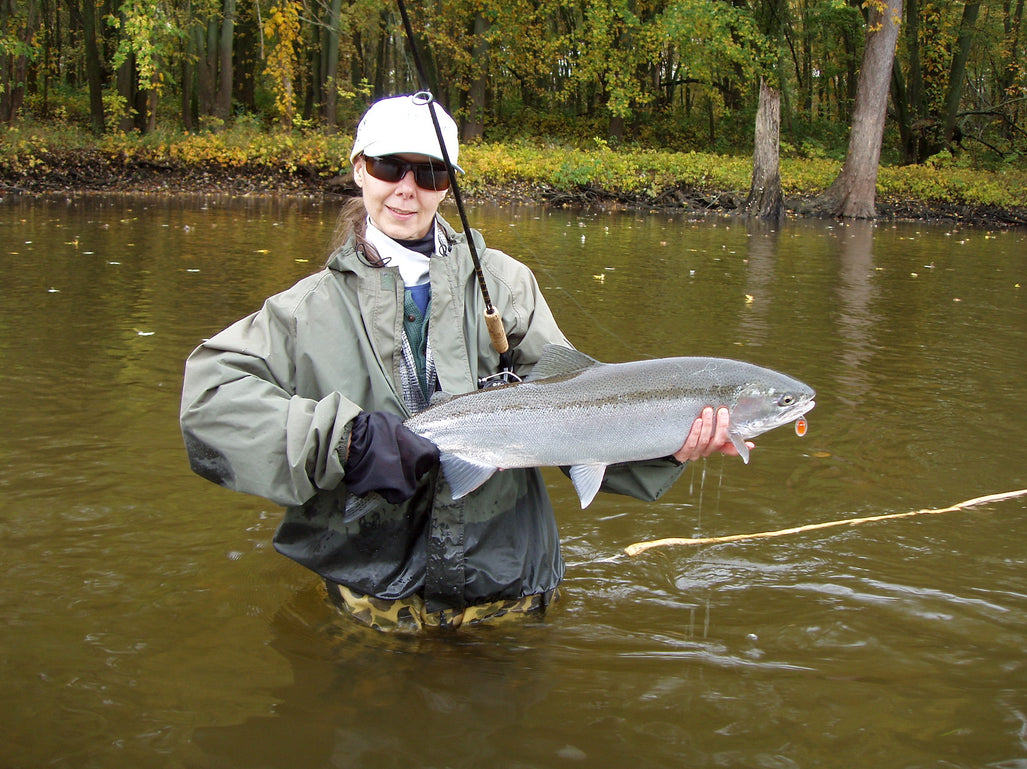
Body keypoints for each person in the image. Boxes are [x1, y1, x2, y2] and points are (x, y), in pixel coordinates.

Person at [180, 93, 741, 632]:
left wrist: (669, 441)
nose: (407, 189)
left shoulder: (507, 285)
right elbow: (210, 399)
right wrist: (345, 443)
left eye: (429, 174)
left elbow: (580, 410)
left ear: (447, 187)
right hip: (374, 601)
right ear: (358, 170)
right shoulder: (303, 312)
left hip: (512, 592)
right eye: (389, 166)